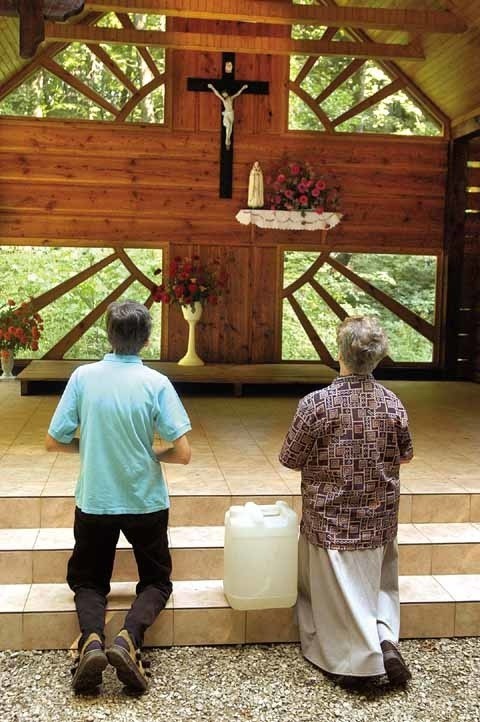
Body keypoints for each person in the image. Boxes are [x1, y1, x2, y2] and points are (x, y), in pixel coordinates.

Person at [45, 300, 192, 695]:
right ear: (146, 339)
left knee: (89, 580)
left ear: (109, 335)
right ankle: (129, 637)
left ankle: (92, 640)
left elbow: (53, 440)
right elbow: (183, 452)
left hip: (95, 500)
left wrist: (90, 447)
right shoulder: (156, 383)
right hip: (146, 501)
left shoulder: (83, 377)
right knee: (157, 581)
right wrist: (152, 453)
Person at [279, 316, 413, 688]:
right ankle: (385, 638)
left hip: (331, 519)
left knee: (333, 596)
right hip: (380, 518)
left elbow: (289, 458)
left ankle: (359, 662)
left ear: (340, 354)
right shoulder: (392, 402)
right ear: (377, 358)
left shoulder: (317, 404)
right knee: (381, 586)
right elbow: (406, 454)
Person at [207, 82, 248, 149]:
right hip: (226, 114)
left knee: (230, 128)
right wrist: (212, 87)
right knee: (228, 125)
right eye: (223, 94)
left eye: (224, 93)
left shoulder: (231, 98)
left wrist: (243, 88)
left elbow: (238, 93)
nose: (224, 95)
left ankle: (228, 140)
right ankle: (227, 140)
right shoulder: (223, 100)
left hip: (231, 114)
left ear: (227, 93)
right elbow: (217, 94)